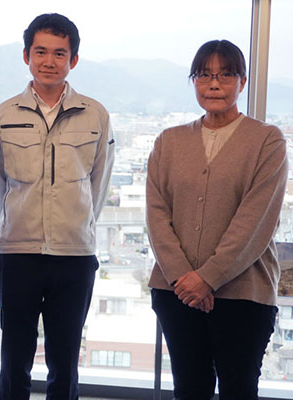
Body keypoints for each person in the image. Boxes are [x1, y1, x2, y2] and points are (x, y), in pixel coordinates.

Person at [147, 39, 288, 400]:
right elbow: (157, 215)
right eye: (204, 75)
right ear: (194, 81)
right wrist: (184, 278)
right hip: (176, 291)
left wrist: (207, 278)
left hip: (244, 294)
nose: (214, 84)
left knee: (238, 389)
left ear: (242, 82)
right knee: (189, 388)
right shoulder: (169, 141)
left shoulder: (267, 141)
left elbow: (255, 222)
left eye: (225, 75)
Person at [0, 13, 115, 400]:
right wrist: (12, 226)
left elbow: (99, 183)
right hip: (17, 254)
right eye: (40, 51)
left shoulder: (95, 114)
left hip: (74, 255)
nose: (49, 61)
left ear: (73, 59)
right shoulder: (4, 114)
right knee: (14, 359)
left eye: (59, 53)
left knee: (65, 359)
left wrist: (79, 226)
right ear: (26, 55)